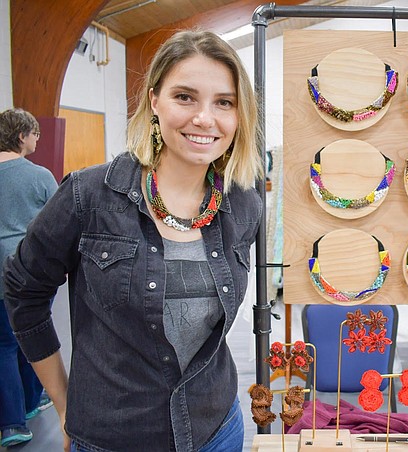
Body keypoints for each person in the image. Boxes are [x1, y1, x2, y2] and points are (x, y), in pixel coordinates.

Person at [3, 30, 263, 452]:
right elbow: (23, 289)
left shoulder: (243, 205)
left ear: (239, 116)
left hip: (216, 428)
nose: (204, 118)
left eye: (224, 102)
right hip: (114, 436)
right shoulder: (87, 197)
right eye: (184, 97)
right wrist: (64, 402)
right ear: (155, 100)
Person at [0, 108, 57, 447]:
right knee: (31, 330)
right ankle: (32, 401)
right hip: (27, 272)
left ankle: (11, 423)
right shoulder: (39, 176)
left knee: (3, 344)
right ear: (22, 136)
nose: (37, 139)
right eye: (34, 133)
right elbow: (57, 223)